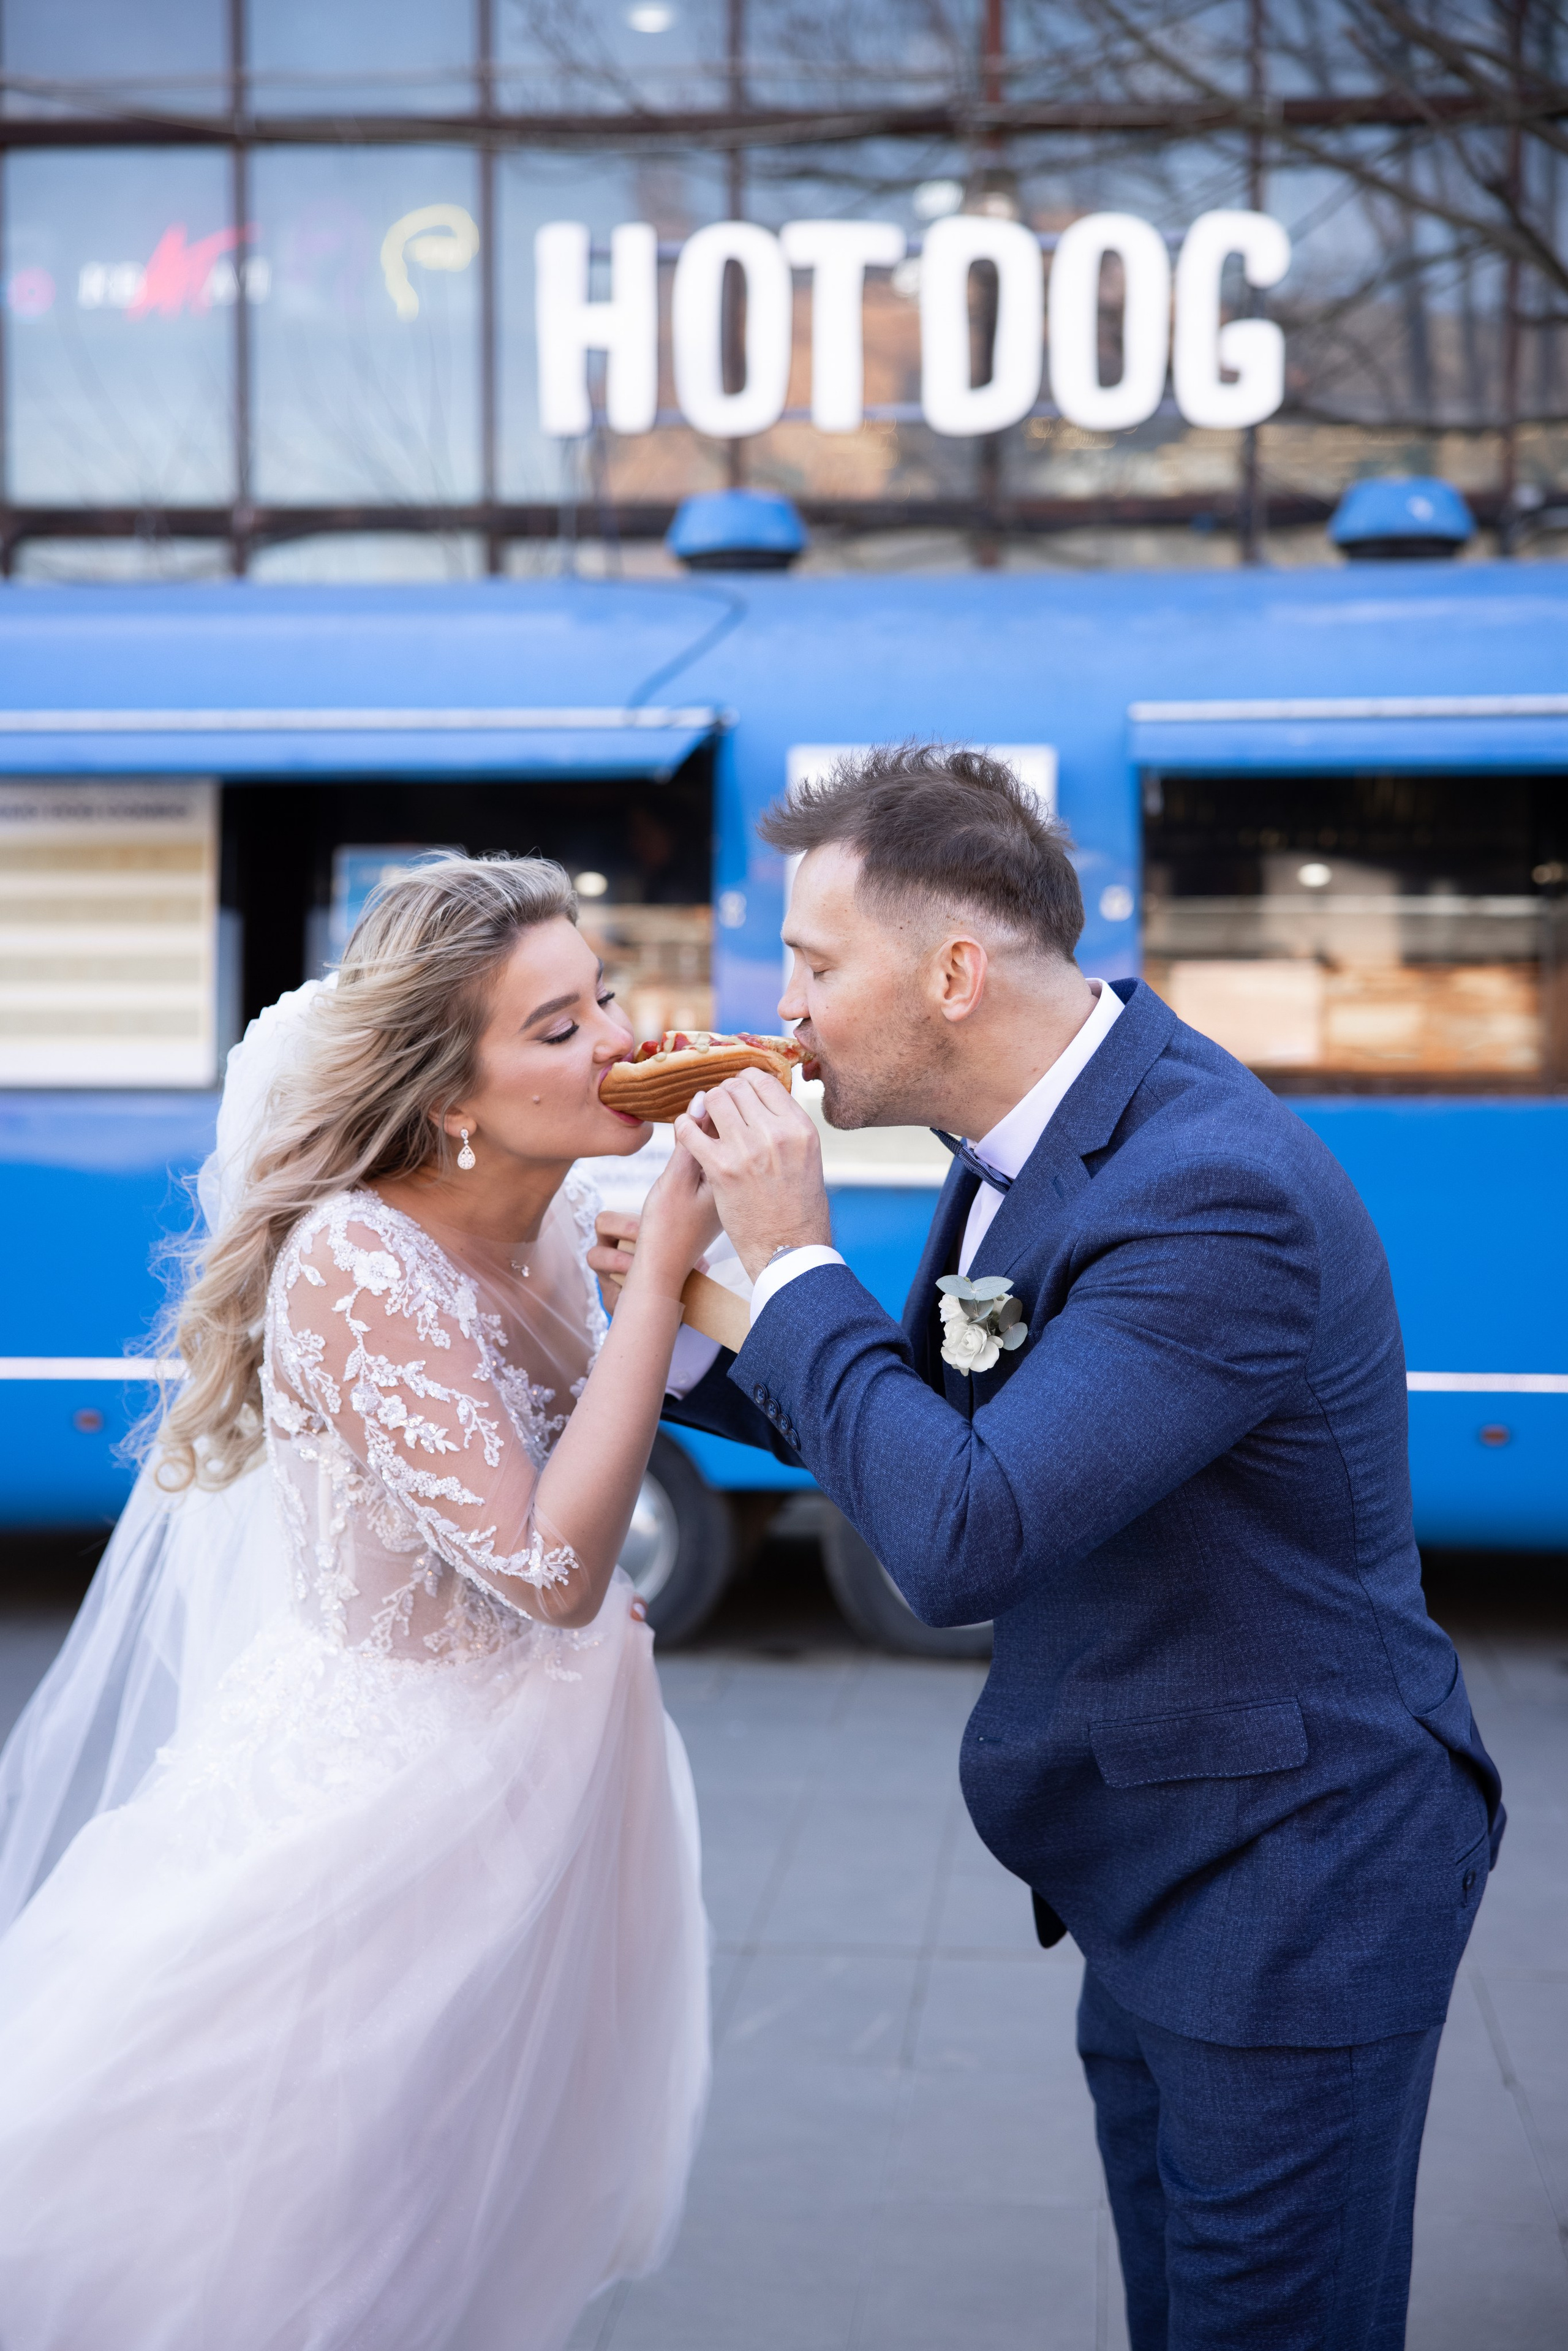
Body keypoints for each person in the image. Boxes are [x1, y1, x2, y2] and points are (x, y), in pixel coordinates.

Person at [594, 745, 1504, 2350]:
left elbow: (963, 1536)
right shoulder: (1026, 1141)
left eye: (813, 963)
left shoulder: (1213, 1187)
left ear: (954, 968)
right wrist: (680, 1334)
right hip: (1149, 1848)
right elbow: (943, 1433)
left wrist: (795, 1253)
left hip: (1297, 1876)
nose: (785, 1010)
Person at [0, 855, 719, 2351]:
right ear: (450, 1091)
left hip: (547, 1769)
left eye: (600, 996)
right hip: (381, 1815)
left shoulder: (566, 1199)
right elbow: (548, 1562)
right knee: (317, 2240)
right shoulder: (354, 1258)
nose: (615, 1040)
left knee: (471, 2201)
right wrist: (659, 1277)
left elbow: (547, 1486)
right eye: (555, 1025)